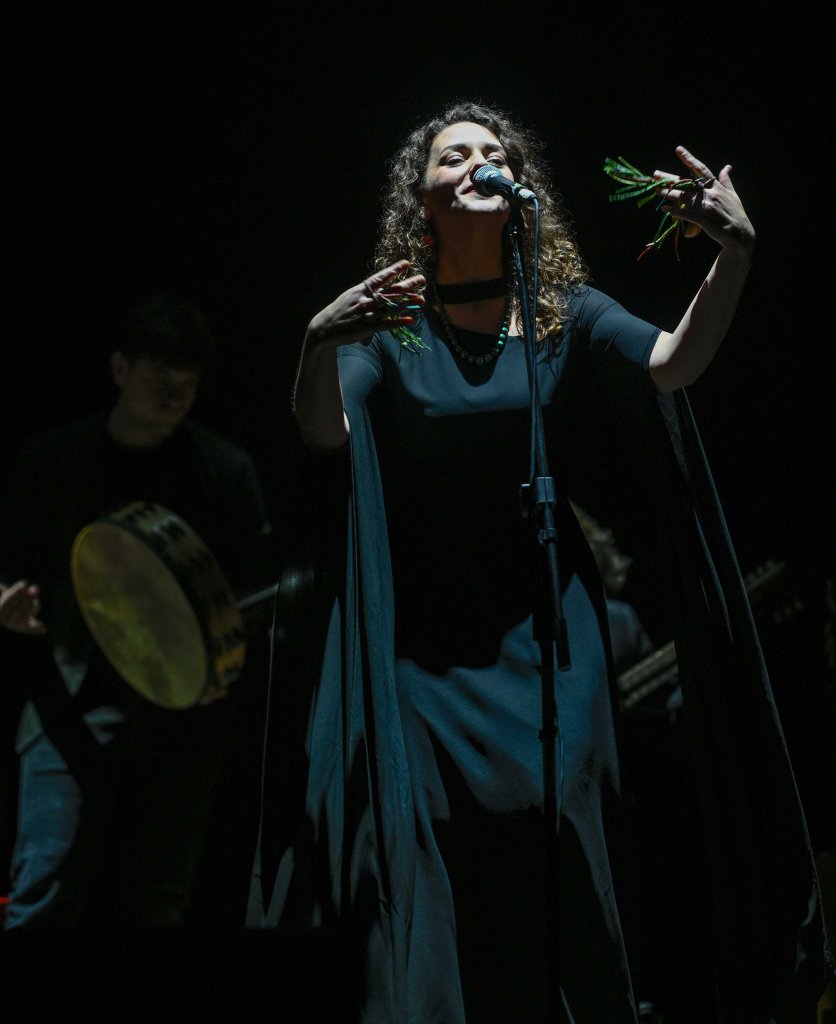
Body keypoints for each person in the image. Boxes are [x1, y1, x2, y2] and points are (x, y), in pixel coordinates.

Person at [248, 102, 830, 1022]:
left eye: (494, 152)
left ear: (521, 190)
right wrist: (320, 340)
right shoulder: (394, 324)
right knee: (445, 856)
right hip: (427, 655)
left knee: (563, 845)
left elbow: (671, 365)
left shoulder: (566, 312)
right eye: (453, 156)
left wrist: (735, 255)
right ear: (421, 199)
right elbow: (328, 433)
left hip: (551, 637)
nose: (478, 162)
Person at [0, 293, 272, 940]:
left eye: (188, 382)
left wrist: (224, 663)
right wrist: (8, 605)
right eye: (160, 377)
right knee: (44, 893)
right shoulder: (54, 459)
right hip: (68, 706)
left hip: (181, 718)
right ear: (120, 369)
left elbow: (256, 591)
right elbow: (11, 562)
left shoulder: (223, 471)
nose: (175, 395)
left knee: (154, 908)